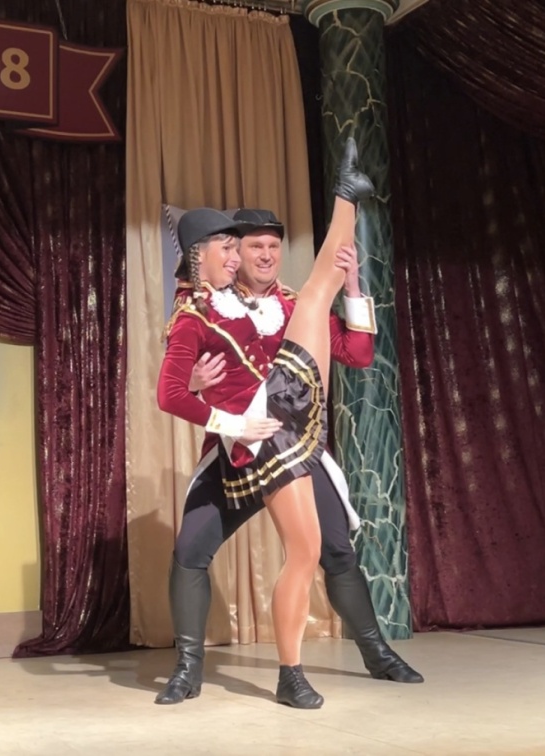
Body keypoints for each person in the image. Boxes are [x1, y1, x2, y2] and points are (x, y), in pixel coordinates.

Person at [155, 206, 422, 707]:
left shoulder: (295, 306)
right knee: (190, 550)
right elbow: (173, 382)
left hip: (294, 448)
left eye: (272, 247)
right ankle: (188, 669)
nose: (262, 256)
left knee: (335, 550)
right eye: (250, 246)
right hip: (235, 453)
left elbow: (358, 354)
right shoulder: (205, 307)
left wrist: (352, 287)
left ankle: (377, 654)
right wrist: (195, 388)